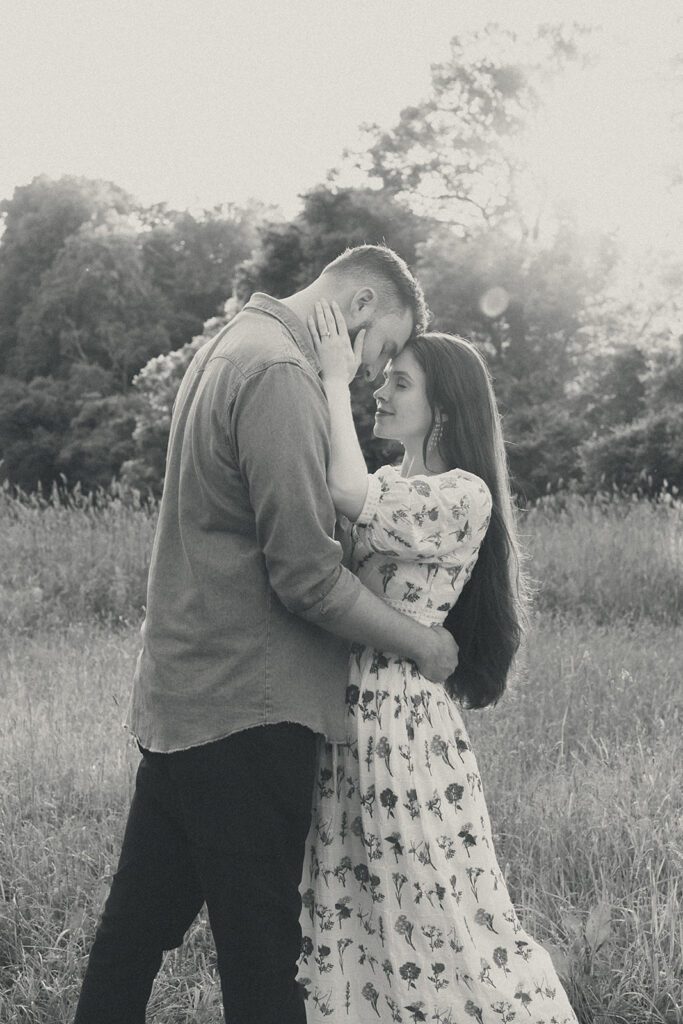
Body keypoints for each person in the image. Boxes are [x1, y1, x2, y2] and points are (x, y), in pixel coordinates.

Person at [73, 246, 461, 1024]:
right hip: (248, 712)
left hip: (182, 701)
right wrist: (423, 645)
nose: (368, 372)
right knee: (263, 971)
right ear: (357, 304)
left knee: (131, 940)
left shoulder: (228, 343)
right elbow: (305, 575)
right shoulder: (281, 373)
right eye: (380, 348)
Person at [298, 302, 578, 1023]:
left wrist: (333, 380)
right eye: (379, 381)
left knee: (429, 904)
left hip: (398, 723)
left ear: (444, 407)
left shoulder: (460, 495)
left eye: (399, 383)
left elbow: (341, 493)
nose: (379, 394)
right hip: (346, 708)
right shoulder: (391, 481)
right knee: (352, 901)